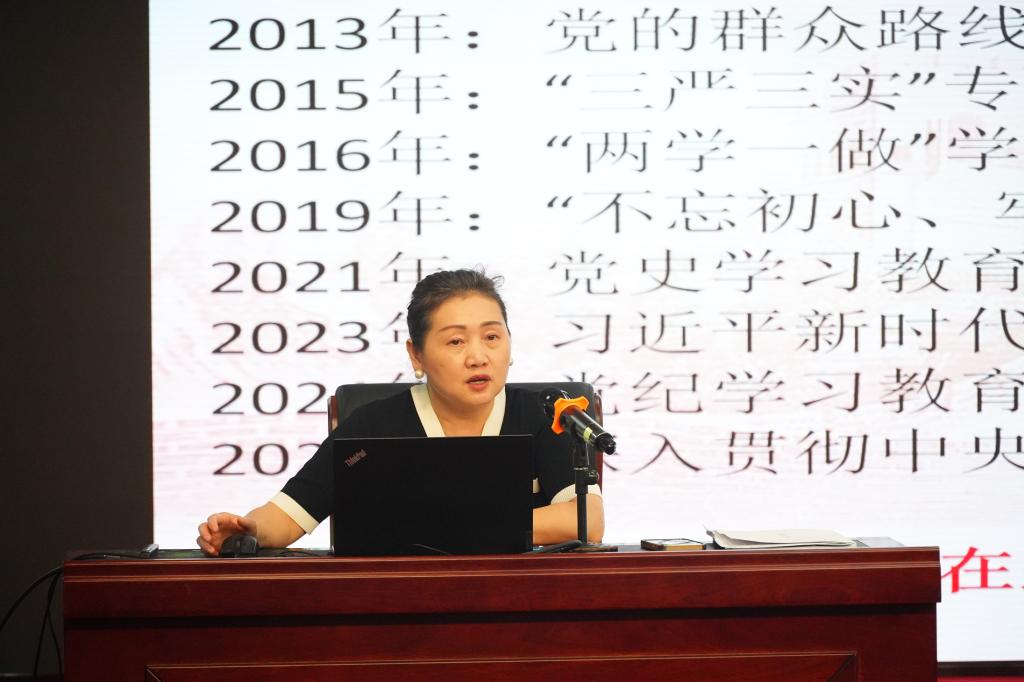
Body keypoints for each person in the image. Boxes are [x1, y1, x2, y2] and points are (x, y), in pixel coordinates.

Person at [197, 269, 604, 555]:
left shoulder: (547, 416)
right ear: (417, 355)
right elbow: (288, 516)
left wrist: (446, 525)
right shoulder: (372, 425)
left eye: (492, 337)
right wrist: (246, 530)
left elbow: (586, 520)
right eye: (456, 342)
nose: (479, 356)